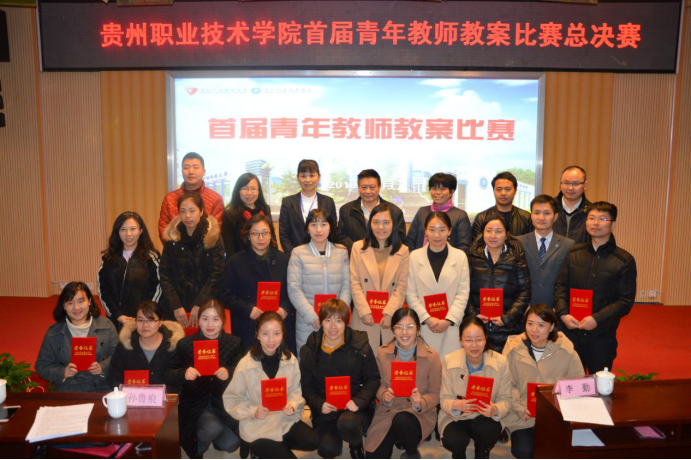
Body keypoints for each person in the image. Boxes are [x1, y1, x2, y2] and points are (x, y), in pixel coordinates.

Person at [554, 202, 637, 374]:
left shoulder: (624, 260)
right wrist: (563, 314)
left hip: (602, 335)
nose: (596, 223)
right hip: (571, 331)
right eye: (591, 218)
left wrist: (597, 319)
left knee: (598, 382)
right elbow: (561, 285)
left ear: (612, 225)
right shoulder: (574, 253)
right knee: (570, 382)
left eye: (602, 219)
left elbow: (625, 301)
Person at [224, 311, 320, 459]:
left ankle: (268, 450)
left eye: (276, 333)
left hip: (283, 420)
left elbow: (296, 391)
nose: (271, 340)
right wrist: (253, 411)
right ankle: (259, 447)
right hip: (257, 424)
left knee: (313, 441)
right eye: (265, 334)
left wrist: (293, 405)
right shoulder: (245, 364)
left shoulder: (290, 360)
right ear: (257, 334)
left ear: (282, 335)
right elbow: (232, 399)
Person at [300, 299, 381, 459]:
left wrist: (358, 401)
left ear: (346, 322)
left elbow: (373, 378)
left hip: (356, 408)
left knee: (348, 424)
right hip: (326, 410)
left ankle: (356, 445)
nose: (333, 327)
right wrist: (319, 404)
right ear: (321, 322)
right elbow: (306, 387)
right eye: (328, 320)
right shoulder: (310, 349)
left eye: (338, 321)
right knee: (327, 450)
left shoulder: (360, 344)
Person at [502, 304, 585, 459]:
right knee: (524, 451)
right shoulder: (513, 349)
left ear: (551, 326)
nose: (534, 330)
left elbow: (578, 385)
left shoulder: (566, 351)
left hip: (554, 416)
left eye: (541, 325)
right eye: (530, 323)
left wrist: (559, 407)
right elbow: (506, 384)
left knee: (554, 450)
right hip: (523, 416)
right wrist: (518, 407)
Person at [165, 299, 244, 459]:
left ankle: (214, 438)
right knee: (212, 428)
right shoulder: (185, 344)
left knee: (232, 443)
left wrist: (229, 372)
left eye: (216, 319)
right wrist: (184, 374)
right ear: (198, 320)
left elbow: (244, 372)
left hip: (223, 401)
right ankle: (198, 449)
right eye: (205, 319)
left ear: (223, 321)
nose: (210, 324)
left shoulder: (235, 343)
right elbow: (168, 374)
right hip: (196, 401)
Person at [364, 309, 442, 459]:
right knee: (373, 455)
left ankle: (411, 452)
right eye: (399, 327)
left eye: (410, 327)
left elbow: (436, 393)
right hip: (388, 410)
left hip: (418, 413)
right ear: (393, 330)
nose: (404, 332)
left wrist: (421, 402)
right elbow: (377, 383)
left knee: (402, 421)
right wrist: (384, 395)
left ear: (418, 329)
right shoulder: (383, 352)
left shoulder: (431, 357)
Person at [220, 214, 297, 354]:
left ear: (271, 235)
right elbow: (225, 295)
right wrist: (248, 309)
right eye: (255, 233)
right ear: (248, 236)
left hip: (280, 325)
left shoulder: (284, 260)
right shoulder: (235, 262)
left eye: (265, 233)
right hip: (248, 326)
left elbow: (294, 290)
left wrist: (285, 308)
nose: (260, 238)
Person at [438, 317, 512, 460]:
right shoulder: (449, 360)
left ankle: (482, 452)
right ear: (461, 341)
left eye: (478, 339)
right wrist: (456, 405)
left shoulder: (501, 362)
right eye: (468, 340)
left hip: (485, 417)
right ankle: (458, 454)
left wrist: (495, 409)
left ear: (485, 339)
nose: (474, 345)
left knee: (487, 431)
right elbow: (444, 399)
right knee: (454, 440)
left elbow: (506, 399)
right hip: (457, 417)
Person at [406, 212, 470, 358]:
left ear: (449, 231)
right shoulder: (414, 256)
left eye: (442, 230)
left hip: (450, 327)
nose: (436, 235)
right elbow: (410, 293)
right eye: (432, 229)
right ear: (425, 231)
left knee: (450, 366)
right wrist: (427, 319)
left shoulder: (460, 257)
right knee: (425, 366)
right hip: (424, 326)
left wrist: (449, 320)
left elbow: (463, 292)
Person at [36, 282, 118, 392]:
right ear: (63, 306)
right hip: (68, 390)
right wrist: (62, 372)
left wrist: (103, 367)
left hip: (101, 388)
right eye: (70, 303)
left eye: (81, 301)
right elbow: (41, 366)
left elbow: (119, 356)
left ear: (89, 301)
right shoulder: (54, 333)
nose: (76, 308)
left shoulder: (107, 326)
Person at [287, 208, 351, 351]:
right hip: (308, 321)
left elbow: (346, 286)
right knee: (309, 358)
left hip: (336, 321)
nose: (318, 229)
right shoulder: (298, 253)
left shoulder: (341, 251)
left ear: (330, 227)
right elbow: (294, 289)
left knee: (335, 359)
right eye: (313, 224)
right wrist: (312, 317)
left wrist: (339, 316)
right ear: (307, 228)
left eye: (323, 224)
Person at [466, 215, 531, 352]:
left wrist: (507, 319)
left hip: (509, 328)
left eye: (498, 231)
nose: (493, 235)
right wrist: (474, 317)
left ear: (507, 235)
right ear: (482, 233)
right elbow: (464, 290)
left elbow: (525, 291)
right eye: (488, 230)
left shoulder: (516, 256)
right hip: (479, 328)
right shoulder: (472, 256)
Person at [351, 203, 410, 354]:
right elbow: (354, 283)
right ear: (369, 224)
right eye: (376, 222)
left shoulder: (403, 251)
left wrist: (390, 313)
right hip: (364, 318)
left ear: (393, 224)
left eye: (386, 222)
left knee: (387, 359)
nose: (381, 227)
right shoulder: (358, 247)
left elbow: (401, 287)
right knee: (364, 360)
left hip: (388, 319)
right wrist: (364, 311)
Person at [160, 193, 226, 327]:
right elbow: (164, 274)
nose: (187, 216)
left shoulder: (213, 237)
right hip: (176, 308)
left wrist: (199, 304)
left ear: (201, 211)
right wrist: (175, 305)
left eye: (192, 211)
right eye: (183, 211)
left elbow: (217, 274)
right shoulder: (172, 238)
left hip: (206, 307)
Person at [98, 211, 161, 330]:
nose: (128, 234)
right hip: (116, 320)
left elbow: (157, 289)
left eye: (133, 229)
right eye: (123, 229)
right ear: (117, 232)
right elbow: (104, 291)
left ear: (140, 231)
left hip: (144, 320)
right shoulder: (108, 258)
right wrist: (118, 315)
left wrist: (142, 315)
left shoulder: (151, 257)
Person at [107, 300, 184, 391]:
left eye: (150, 320)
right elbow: (114, 375)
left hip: (165, 398)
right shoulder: (125, 344)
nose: (145, 325)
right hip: (132, 397)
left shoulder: (173, 345)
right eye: (140, 320)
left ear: (160, 322)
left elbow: (179, 378)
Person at [516, 195, 575, 308]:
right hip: (524, 308)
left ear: (555, 216)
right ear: (531, 215)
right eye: (536, 213)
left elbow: (569, 281)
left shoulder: (568, 245)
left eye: (547, 213)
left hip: (554, 309)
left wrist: (560, 308)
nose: (541, 217)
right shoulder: (518, 242)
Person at [158, 152, 225, 242]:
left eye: (196, 167)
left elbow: (216, 230)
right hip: (175, 249)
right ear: (182, 171)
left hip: (205, 249)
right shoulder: (169, 198)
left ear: (204, 172)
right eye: (186, 168)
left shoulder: (215, 199)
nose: (191, 172)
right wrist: (176, 247)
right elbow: (163, 228)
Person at [337, 169, 406, 252]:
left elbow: (400, 237)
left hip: (386, 256)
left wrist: (382, 250)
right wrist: (357, 250)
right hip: (356, 256)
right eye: (364, 187)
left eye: (372, 187)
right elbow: (342, 236)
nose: (368, 191)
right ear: (358, 188)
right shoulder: (346, 210)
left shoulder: (395, 211)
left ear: (379, 187)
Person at [279, 159, 337, 256]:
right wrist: (294, 255)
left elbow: (333, 231)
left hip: (323, 256)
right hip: (296, 256)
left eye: (312, 175)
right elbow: (284, 235)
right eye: (303, 176)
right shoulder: (288, 203)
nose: (308, 180)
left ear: (319, 177)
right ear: (298, 178)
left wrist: (324, 254)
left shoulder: (328, 202)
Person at [406, 173, 472, 253]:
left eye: (442, 189)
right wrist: (414, 258)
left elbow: (464, 246)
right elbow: (410, 241)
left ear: (451, 191)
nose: (437, 192)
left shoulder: (460, 215)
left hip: (450, 260)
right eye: (434, 188)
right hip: (420, 259)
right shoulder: (422, 212)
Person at [221, 173, 272, 259]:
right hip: (241, 261)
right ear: (238, 191)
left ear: (258, 191)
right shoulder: (230, 214)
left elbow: (272, 237)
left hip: (264, 259)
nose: (249, 193)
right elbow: (229, 248)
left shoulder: (265, 210)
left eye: (253, 189)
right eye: (245, 188)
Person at [471, 172, 532, 240]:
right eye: (499, 189)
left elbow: (530, 244)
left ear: (515, 191)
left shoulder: (527, 218)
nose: (503, 193)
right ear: (493, 191)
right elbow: (477, 245)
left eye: (507, 189)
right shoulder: (481, 218)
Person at [553, 165, 592, 244]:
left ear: (585, 185)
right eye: (566, 183)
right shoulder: (550, 208)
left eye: (576, 183)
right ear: (560, 184)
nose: (570, 188)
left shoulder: (592, 212)